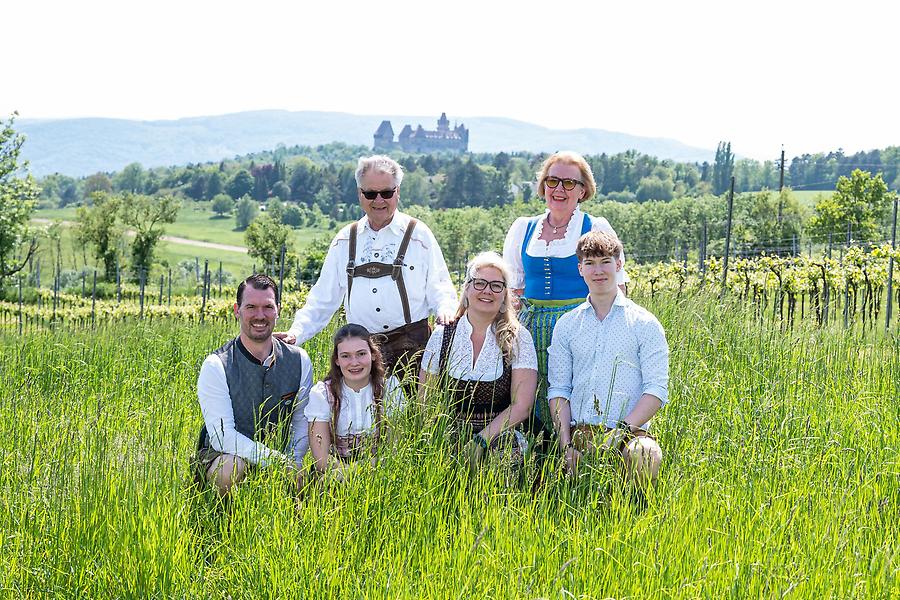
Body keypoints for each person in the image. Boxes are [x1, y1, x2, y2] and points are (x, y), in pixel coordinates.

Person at [278, 155, 457, 388]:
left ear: (398, 191)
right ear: (359, 194)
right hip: (360, 353)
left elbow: (439, 283)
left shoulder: (418, 235)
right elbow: (323, 298)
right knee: (336, 409)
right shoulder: (344, 240)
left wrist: (445, 310)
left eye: (387, 193)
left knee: (415, 419)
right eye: (370, 194)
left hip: (413, 348)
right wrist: (296, 333)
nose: (379, 200)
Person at [502, 150, 629, 434]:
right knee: (529, 395)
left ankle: (573, 450)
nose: (559, 189)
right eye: (553, 180)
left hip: (580, 327)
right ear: (543, 185)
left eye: (569, 183)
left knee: (575, 390)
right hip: (531, 327)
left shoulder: (594, 227)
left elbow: (617, 286)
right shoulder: (524, 228)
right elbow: (514, 290)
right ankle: (536, 456)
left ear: (583, 190)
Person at [547, 231, 668, 490]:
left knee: (646, 454)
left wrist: (619, 434)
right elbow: (558, 390)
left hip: (629, 434)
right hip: (579, 433)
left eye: (605, 261)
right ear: (580, 269)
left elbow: (656, 391)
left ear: (619, 265)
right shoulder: (567, 325)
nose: (598, 270)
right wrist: (566, 446)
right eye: (590, 263)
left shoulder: (644, 324)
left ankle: (636, 515)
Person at [192, 274, 313, 496]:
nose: (260, 315)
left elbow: (301, 423)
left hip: (281, 456)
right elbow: (222, 436)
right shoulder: (216, 365)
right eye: (251, 307)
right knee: (230, 468)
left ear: (279, 309)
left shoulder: (299, 360)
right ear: (237, 310)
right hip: (224, 455)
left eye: (267, 307)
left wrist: (293, 464)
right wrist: (277, 462)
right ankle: (222, 525)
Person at [419, 252, 538, 467]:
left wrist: (480, 441)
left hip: (500, 432)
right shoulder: (442, 335)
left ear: (504, 296)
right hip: (449, 430)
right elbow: (425, 400)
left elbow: (521, 406)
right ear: (466, 290)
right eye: (480, 283)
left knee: (503, 461)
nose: (487, 291)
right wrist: (439, 441)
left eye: (496, 286)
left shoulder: (518, 338)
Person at [305, 324, 404, 481]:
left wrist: (363, 472)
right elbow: (321, 459)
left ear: (373, 354)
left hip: (379, 475)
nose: (354, 362)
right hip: (334, 476)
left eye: (361, 354)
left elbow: (395, 450)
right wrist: (347, 474)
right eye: (346, 356)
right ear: (337, 360)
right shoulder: (323, 394)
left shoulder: (390, 389)